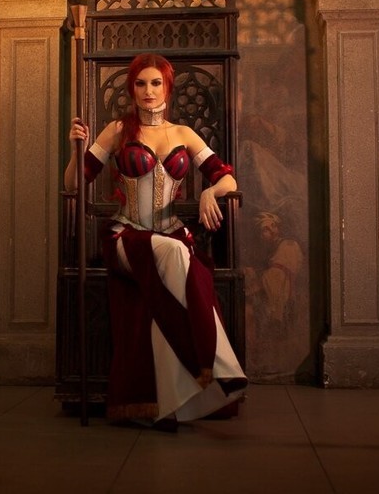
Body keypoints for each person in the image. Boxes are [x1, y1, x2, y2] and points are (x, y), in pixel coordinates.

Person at [64, 52, 247, 429]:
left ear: (168, 87)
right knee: (178, 253)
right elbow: (73, 184)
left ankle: (172, 401)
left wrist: (211, 192)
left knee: (175, 259)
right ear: (132, 88)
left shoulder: (183, 134)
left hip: (171, 236)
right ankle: (217, 364)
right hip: (126, 237)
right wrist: (75, 150)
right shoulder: (117, 130)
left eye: (156, 83)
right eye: (141, 83)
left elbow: (227, 178)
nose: (148, 91)